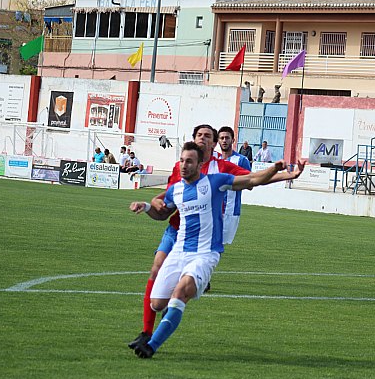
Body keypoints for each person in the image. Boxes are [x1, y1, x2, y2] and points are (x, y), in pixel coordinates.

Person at [127, 125, 304, 352]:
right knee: (156, 292)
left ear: (212, 145)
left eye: (207, 136)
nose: (202, 139)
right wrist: (148, 204)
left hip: (205, 245)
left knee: (180, 292)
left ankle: (153, 341)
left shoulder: (218, 174)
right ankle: (151, 327)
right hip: (177, 231)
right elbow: (166, 200)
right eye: (199, 135)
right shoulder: (179, 174)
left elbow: (252, 180)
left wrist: (283, 173)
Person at [216, 126, 251, 244]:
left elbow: (250, 184)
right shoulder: (214, 159)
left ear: (233, 140)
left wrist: (230, 183)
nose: (224, 140)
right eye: (221, 138)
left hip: (230, 211)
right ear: (218, 140)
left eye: (227, 138)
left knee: (218, 247)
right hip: (211, 209)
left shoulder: (241, 160)